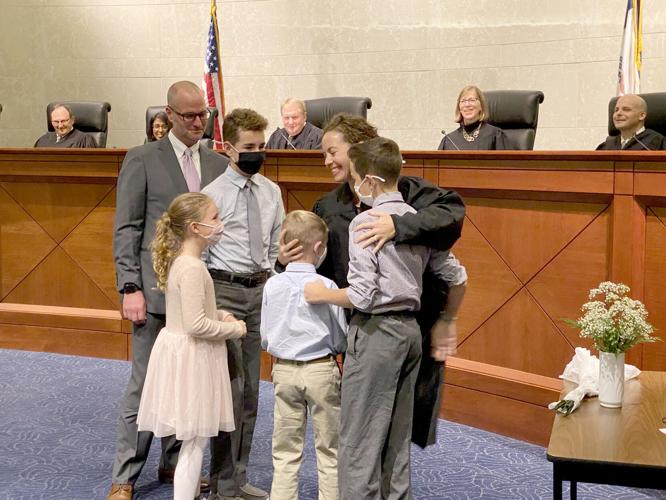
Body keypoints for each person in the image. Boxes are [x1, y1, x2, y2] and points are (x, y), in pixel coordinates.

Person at [279, 113, 466, 449]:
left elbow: (451, 218)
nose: (326, 161)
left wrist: (399, 226)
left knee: (399, 427)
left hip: (411, 325)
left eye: (332, 151)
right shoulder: (329, 206)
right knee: (363, 427)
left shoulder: (410, 193)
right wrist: (285, 264)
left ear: (358, 150)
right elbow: (318, 267)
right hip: (361, 329)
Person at [109, 81, 228, 500]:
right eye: (190, 116)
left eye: (204, 115)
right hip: (155, 292)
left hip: (198, 297)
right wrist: (129, 287)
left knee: (189, 388)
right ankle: (125, 475)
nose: (199, 123)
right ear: (169, 114)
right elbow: (127, 227)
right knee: (144, 386)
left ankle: (174, 464)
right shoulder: (142, 158)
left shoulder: (217, 164)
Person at [137, 192, 247, 500]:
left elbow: (193, 313)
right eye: (214, 218)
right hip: (193, 356)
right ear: (195, 228)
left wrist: (220, 313)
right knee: (195, 441)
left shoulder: (186, 263)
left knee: (193, 441)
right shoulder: (193, 268)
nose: (220, 224)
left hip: (184, 352)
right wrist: (233, 328)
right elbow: (196, 325)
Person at [202, 108, 285, 500]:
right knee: (228, 392)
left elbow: (273, 246)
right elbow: (199, 253)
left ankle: (238, 477)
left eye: (261, 146)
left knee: (251, 391)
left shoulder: (271, 192)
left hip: (259, 292)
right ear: (229, 149)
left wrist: (268, 281)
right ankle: (220, 483)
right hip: (225, 293)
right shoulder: (211, 195)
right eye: (249, 147)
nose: (256, 153)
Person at [260, 210, 347, 500]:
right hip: (321, 370)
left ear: (284, 242)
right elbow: (340, 335)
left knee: (284, 450)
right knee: (330, 449)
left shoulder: (273, 284)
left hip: (284, 370)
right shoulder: (328, 287)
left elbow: (265, 333)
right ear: (320, 248)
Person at [437, 85, 509, 150]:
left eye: (472, 100)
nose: (467, 104)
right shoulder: (449, 140)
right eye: (463, 101)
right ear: (459, 108)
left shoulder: (496, 135)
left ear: (481, 106)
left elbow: (509, 163)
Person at [596, 94, 666, 150]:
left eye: (626, 109)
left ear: (641, 116)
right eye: (616, 110)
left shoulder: (658, 143)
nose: (618, 113)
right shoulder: (606, 146)